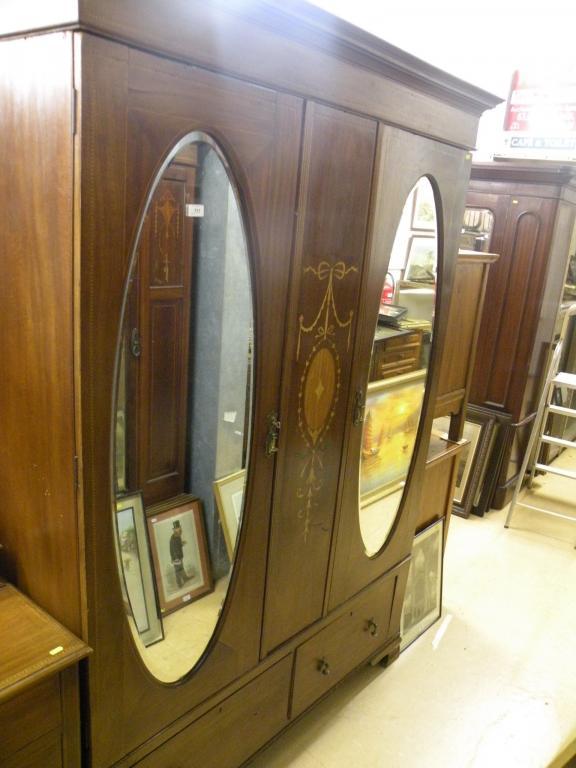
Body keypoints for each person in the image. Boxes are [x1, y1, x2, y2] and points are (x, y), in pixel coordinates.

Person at [169, 520, 187, 589]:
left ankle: (185, 578)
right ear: (174, 530)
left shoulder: (178, 536)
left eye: (179, 527)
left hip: (179, 555)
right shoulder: (173, 538)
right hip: (176, 557)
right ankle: (179, 584)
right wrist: (176, 559)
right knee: (177, 570)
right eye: (177, 528)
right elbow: (173, 550)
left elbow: (178, 545)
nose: (179, 529)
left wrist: (182, 543)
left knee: (181, 567)